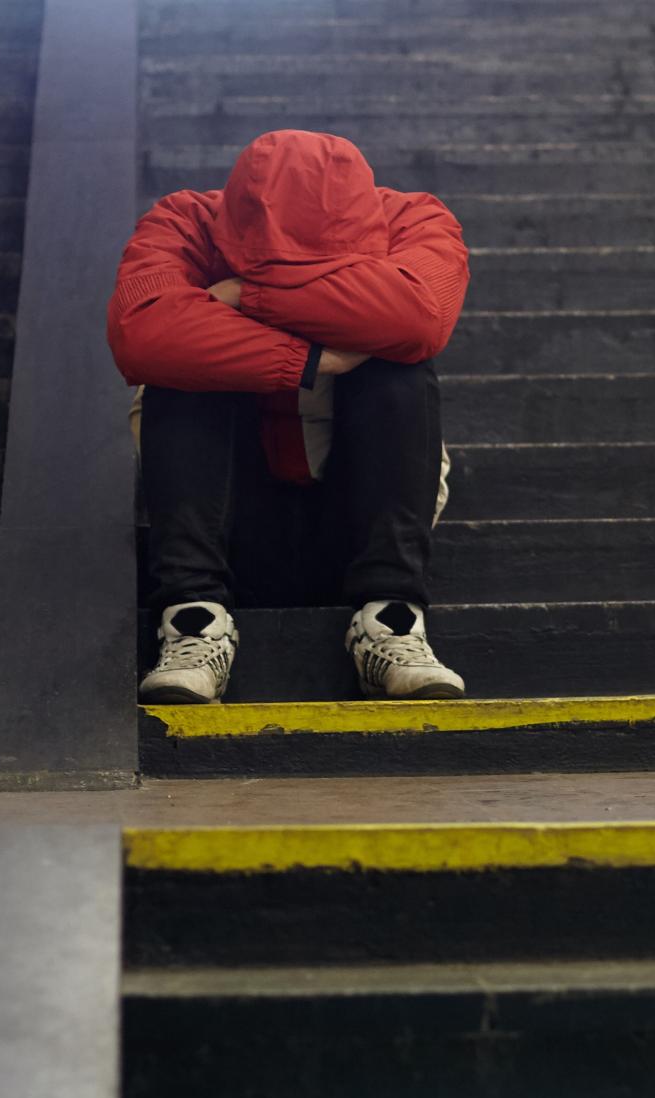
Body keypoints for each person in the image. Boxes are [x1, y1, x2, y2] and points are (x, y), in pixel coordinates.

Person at [106, 128, 469, 704]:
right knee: (181, 365)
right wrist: (309, 358)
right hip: (226, 534)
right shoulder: (185, 221)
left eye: (316, 259)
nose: (294, 264)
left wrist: (243, 294)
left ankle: (391, 623)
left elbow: (419, 319)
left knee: (400, 366)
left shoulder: (414, 219)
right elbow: (141, 334)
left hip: (356, 531)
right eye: (274, 256)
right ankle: (193, 624)